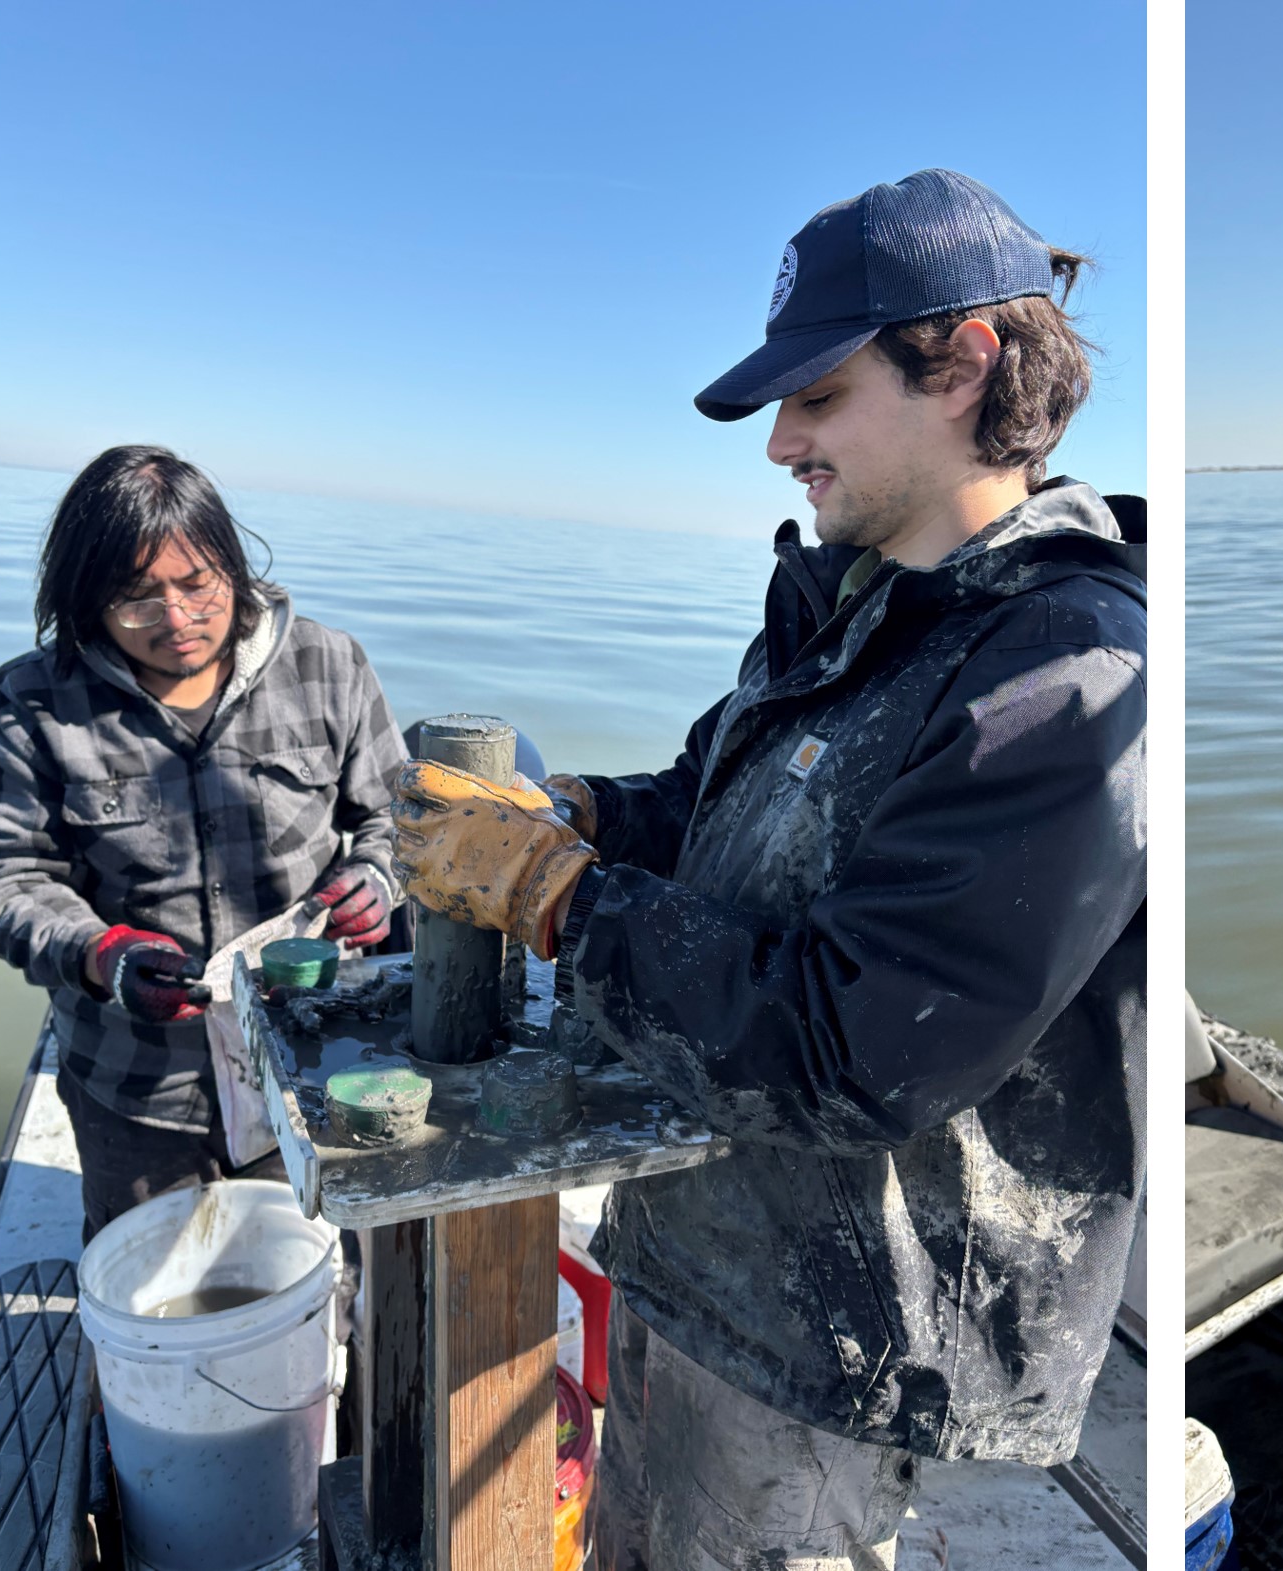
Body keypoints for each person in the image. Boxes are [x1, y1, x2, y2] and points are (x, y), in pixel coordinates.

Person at [388, 168, 1146, 1570]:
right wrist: (585, 813)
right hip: (710, 1249)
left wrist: (555, 892)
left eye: (818, 395)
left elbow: (855, 1049)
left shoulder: (1065, 673)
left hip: (839, 1345)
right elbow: (717, 802)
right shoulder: (854, 596)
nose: (782, 442)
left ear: (965, 365)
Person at [0, 446, 405, 1238]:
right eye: (136, 597)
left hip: (309, 1056)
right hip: (136, 1085)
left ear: (233, 566)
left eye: (197, 583)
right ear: (86, 598)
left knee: (311, 1265)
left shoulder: (330, 664)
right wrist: (102, 955)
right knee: (154, 1288)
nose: (176, 618)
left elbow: (399, 818)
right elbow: (6, 878)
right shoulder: (24, 704)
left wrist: (378, 877)